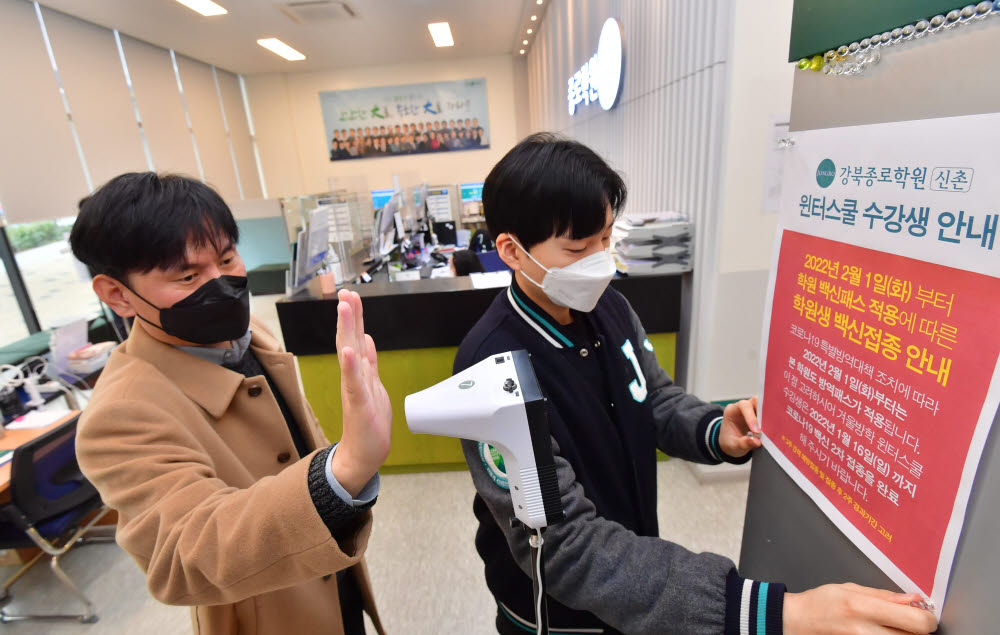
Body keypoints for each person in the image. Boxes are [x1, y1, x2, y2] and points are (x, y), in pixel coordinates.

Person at [455, 134, 939, 635]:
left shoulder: (609, 307)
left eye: (605, 238)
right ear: (512, 251)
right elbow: (566, 546)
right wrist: (760, 611)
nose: (600, 259)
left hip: (633, 576)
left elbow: (654, 398)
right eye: (579, 247)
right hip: (553, 618)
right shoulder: (490, 372)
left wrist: (713, 428)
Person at [69, 173, 392, 635]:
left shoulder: (248, 335)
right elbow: (185, 557)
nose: (220, 284)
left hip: (337, 581)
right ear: (117, 294)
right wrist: (344, 470)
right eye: (187, 275)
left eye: (226, 257)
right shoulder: (122, 412)